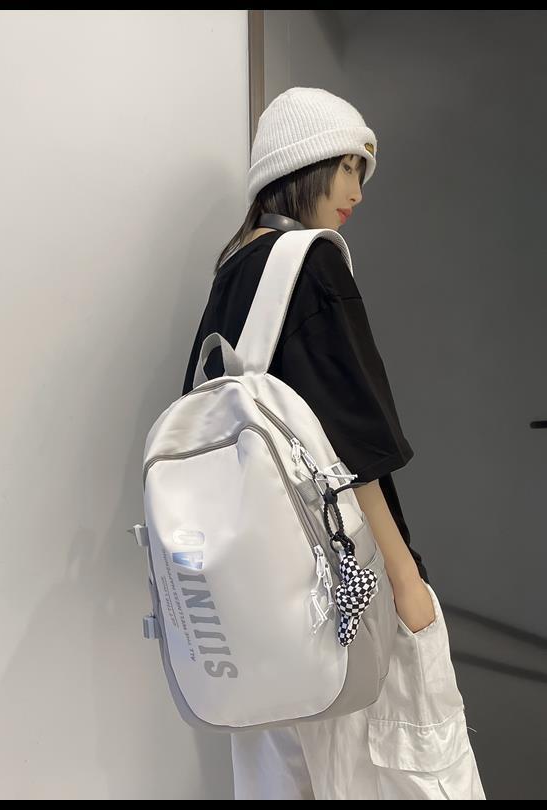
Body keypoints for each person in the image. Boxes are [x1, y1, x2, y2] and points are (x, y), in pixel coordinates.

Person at [181, 87, 486, 800]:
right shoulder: (310, 263)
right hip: (347, 595)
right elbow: (353, 443)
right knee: (414, 771)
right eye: (348, 167)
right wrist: (406, 583)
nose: (357, 191)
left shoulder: (234, 272)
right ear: (303, 166)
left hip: (260, 609)